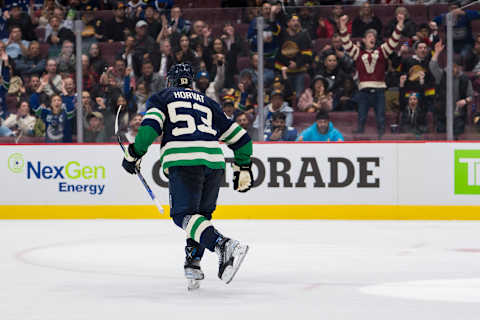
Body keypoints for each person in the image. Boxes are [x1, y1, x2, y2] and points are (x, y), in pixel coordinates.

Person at [121, 63, 251, 289]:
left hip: (184, 160)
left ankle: (223, 244)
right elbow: (242, 139)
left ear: (169, 81)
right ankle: (193, 262)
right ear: (191, 82)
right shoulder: (209, 103)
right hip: (214, 163)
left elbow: (150, 128)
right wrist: (243, 167)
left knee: (182, 215)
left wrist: (133, 153)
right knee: (199, 217)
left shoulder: (162, 97)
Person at [339, 13, 404, 137]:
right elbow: (346, 43)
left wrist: (400, 24)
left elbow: (394, 41)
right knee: (361, 116)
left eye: (373, 36)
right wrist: (342, 25)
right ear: (363, 40)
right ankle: (360, 134)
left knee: (381, 116)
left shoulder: (382, 51)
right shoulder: (357, 52)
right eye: (369, 36)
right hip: (363, 91)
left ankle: (381, 134)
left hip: (379, 90)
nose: (372, 37)